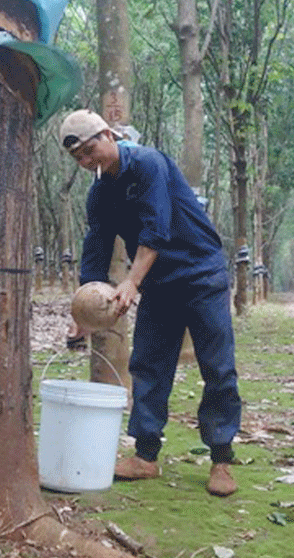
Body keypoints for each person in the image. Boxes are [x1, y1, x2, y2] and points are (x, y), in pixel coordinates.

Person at [59, 108, 242, 496]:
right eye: (79, 159)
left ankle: (222, 459)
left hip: (201, 274)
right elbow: (96, 246)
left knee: (217, 367)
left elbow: (157, 227)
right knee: (147, 365)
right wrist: (83, 311)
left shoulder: (147, 163)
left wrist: (130, 282)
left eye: (90, 151)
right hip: (159, 284)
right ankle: (145, 456)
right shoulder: (100, 193)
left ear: (109, 135)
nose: (87, 162)